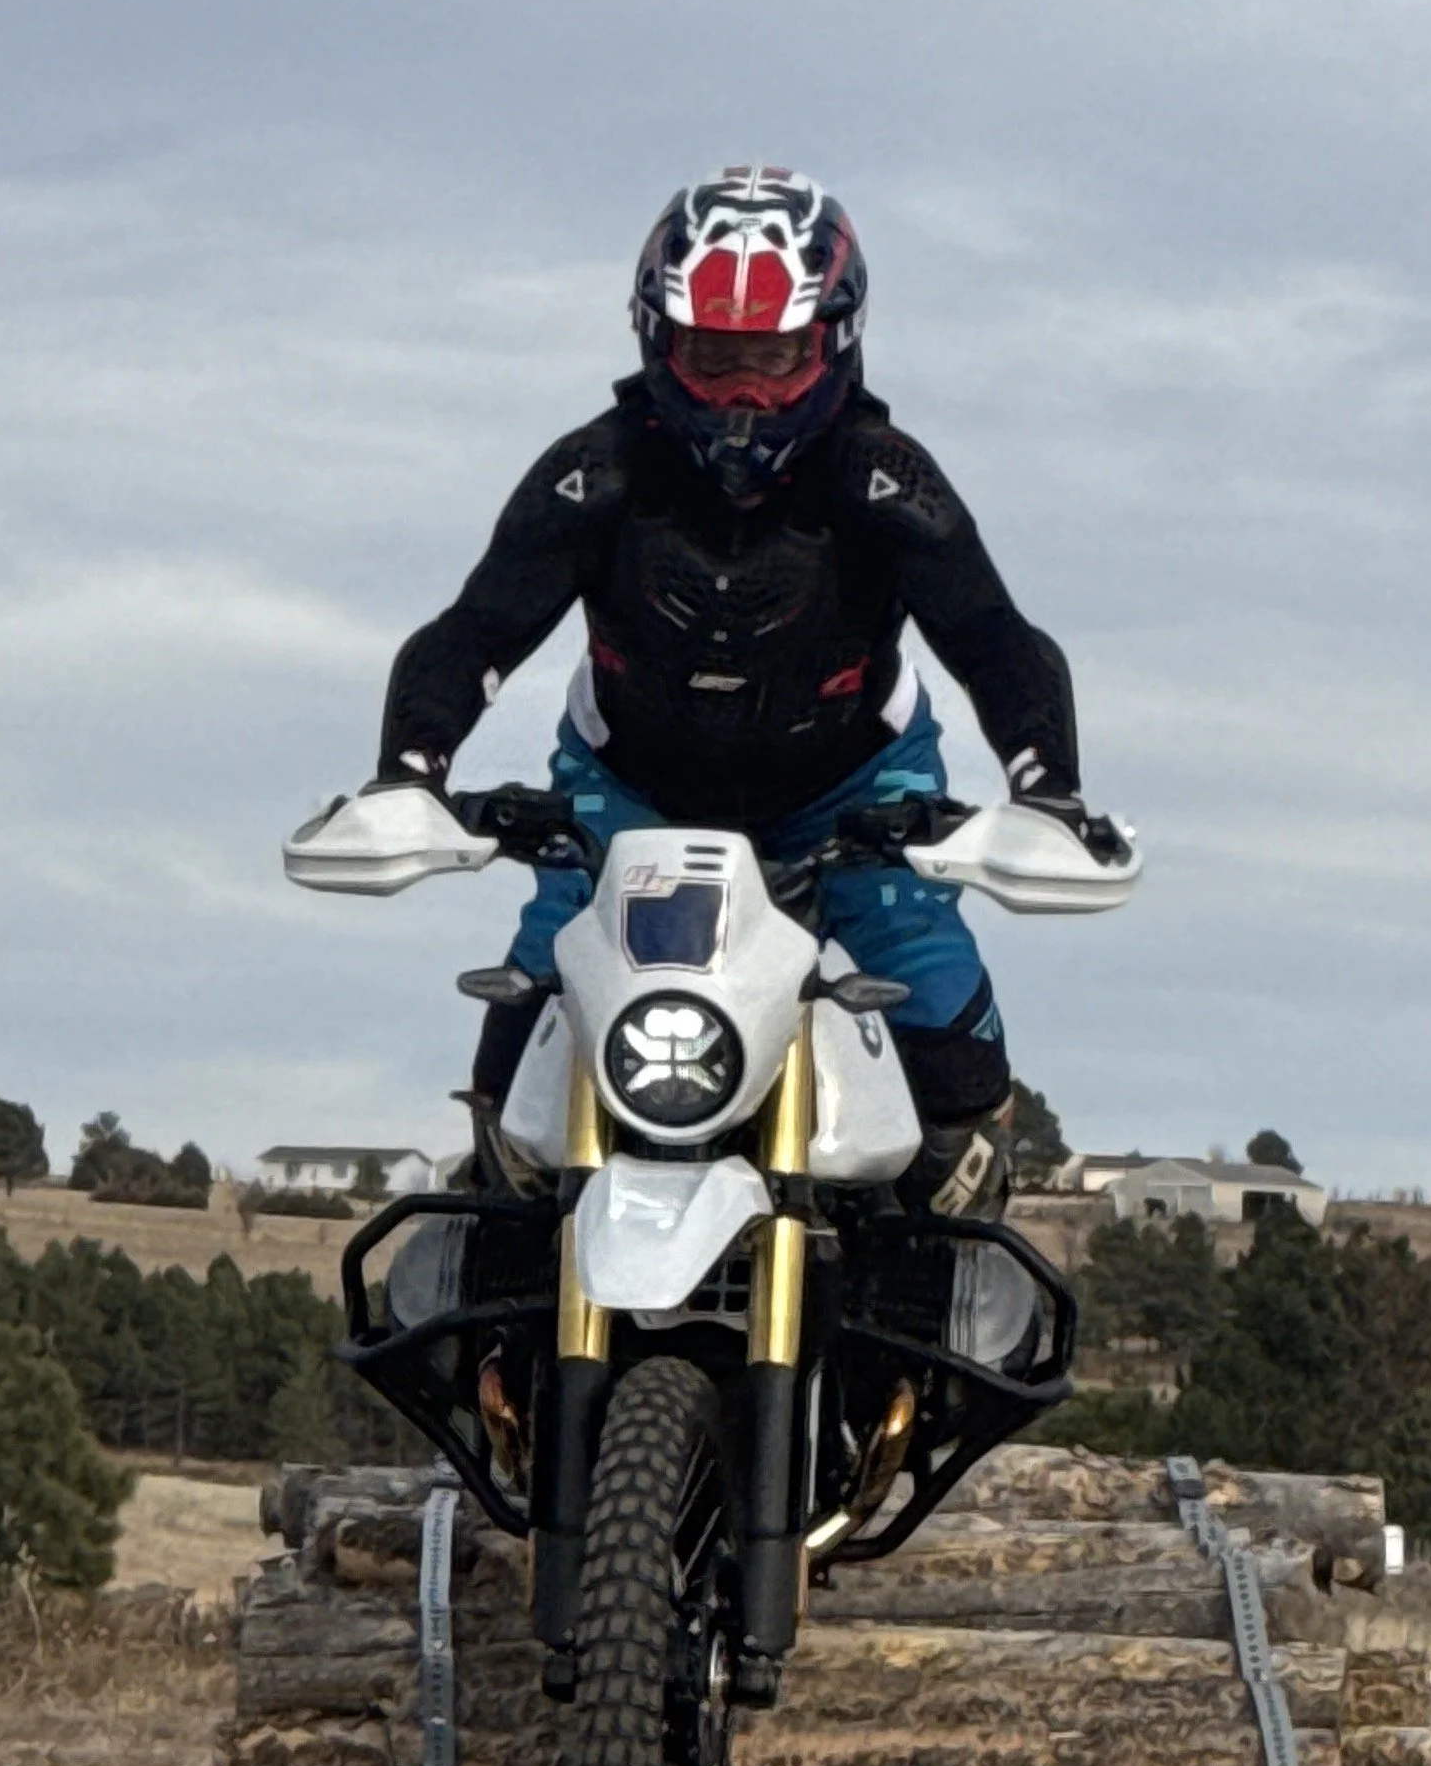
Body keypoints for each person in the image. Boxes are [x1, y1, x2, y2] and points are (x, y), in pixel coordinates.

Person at [374, 164, 1123, 1214]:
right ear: (655, 338)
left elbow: (994, 639)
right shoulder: (596, 474)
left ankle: (949, 1307)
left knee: (956, 1071)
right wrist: (407, 773)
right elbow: (473, 631)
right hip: (624, 797)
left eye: (770, 359)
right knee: (518, 1067)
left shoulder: (885, 479)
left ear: (832, 343)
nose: (740, 395)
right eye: (712, 356)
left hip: (857, 796)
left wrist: (1047, 793)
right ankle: (497, 1302)